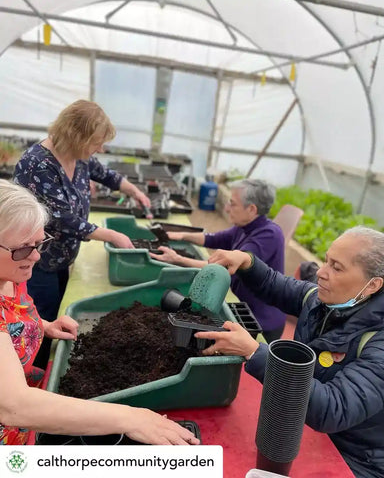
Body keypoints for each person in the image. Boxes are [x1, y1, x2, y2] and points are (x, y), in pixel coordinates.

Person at [0, 180, 199, 446]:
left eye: (39, 242)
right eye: (24, 248)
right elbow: (16, 407)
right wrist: (129, 418)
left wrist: (43, 326)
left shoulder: (11, 273)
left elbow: (12, 323)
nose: (36, 257)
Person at [195, 226, 384, 478]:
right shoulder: (322, 301)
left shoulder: (378, 344)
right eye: (325, 261)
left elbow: (332, 408)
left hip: (355, 460)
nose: (321, 273)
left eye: (336, 268)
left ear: (372, 285)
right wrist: (247, 261)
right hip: (300, 428)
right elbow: (276, 285)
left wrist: (254, 352)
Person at [14, 100, 151, 368]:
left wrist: (135, 192)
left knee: (56, 312)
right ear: (76, 135)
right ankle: (35, 373)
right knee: (40, 322)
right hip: (35, 261)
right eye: (96, 142)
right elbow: (63, 219)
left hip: (61, 257)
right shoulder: (37, 165)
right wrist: (112, 236)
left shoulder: (78, 156)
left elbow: (107, 175)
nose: (100, 148)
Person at [150, 179, 285, 343]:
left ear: (251, 209)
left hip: (261, 321)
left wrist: (177, 259)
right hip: (241, 305)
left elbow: (224, 267)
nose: (227, 208)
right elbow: (213, 239)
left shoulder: (268, 235)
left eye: (232, 204)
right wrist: (179, 235)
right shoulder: (244, 227)